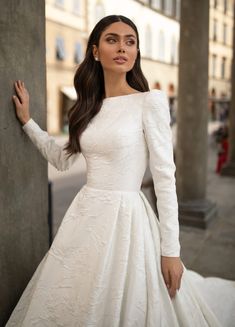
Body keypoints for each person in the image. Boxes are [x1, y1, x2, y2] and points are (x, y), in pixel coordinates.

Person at [6, 15, 234, 327]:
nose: (122, 47)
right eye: (112, 39)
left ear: (137, 52)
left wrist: (171, 251)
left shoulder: (149, 102)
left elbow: (166, 178)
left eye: (130, 41)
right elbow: (62, 159)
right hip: (85, 218)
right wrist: (28, 122)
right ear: (96, 50)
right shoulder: (86, 108)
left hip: (129, 220)